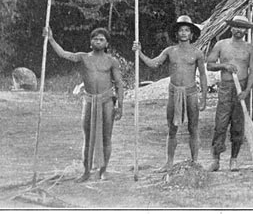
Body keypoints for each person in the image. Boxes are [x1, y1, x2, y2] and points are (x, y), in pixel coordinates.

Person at [44, 26, 124, 182]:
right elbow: (63, 54)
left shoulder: (111, 61)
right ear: (90, 42)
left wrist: (120, 105)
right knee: (88, 138)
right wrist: (51, 39)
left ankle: (103, 171)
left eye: (101, 39)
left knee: (106, 137)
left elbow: (119, 83)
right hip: (89, 100)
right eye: (95, 39)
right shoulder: (83, 57)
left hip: (107, 101)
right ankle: (86, 172)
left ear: (107, 43)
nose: (98, 42)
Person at [133, 15, 207, 171]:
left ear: (192, 34)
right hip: (174, 92)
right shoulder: (170, 51)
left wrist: (204, 97)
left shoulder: (197, 53)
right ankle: (169, 162)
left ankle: (194, 162)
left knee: (193, 128)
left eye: (187, 30)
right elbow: (154, 64)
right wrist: (139, 53)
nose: (184, 33)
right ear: (176, 33)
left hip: (191, 93)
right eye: (181, 30)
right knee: (172, 128)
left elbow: (203, 75)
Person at [206, 15, 253, 172]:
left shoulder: (250, 48)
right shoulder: (221, 45)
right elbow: (209, 64)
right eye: (236, 26)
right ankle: (216, 160)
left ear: (246, 31)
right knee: (220, 125)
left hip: (241, 88)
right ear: (231, 28)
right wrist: (224, 66)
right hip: (226, 87)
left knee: (238, 125)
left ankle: (233, 160)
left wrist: (247, 90)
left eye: (242, 27)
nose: (238, 30)